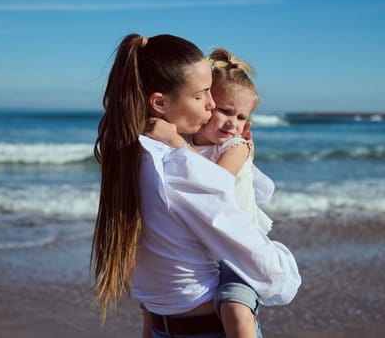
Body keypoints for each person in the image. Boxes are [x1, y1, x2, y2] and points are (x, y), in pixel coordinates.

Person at [92, 33, 301, 338]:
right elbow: (270, 273)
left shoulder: (126, 153)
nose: (212, 104)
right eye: (202, 94)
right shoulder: (179, 168)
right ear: (160, 103)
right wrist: (286, 265)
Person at [146, 48, 286, 337]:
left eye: (241, 117)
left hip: (237, 250)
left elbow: (214, 181)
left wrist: (172, 140)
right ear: (207, 105)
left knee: (236, 309)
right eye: (223, 110)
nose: (231, 122)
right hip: (208, 251)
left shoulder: (236, 147)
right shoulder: (186, 141)